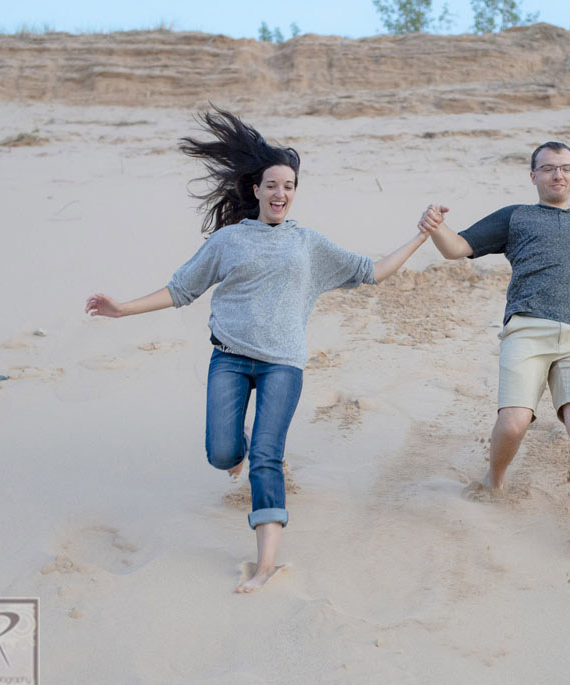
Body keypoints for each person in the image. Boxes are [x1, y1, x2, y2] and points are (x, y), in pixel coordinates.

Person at [85, 108, 428, 592]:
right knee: (222, 453)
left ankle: (266, 564)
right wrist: (122, 309)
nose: (280, 193)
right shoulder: (228, 240)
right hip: (228, 357)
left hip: (282, 365)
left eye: (288, 186)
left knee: (267, 457)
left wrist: (421, 234)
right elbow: (181, 289)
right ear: (256, 190)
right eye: (272, 185)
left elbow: (372, 271)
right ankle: (238, 451)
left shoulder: (308, 243)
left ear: (294, 192)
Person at [417, 141, 570, 556]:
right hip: (527, 330)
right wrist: (435, 226)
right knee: (514, 423)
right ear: (533, 175)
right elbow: (456, 248)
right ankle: (494, 480)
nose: (558, 175)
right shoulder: (517, 217)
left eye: (565, 167)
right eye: (548, 168)